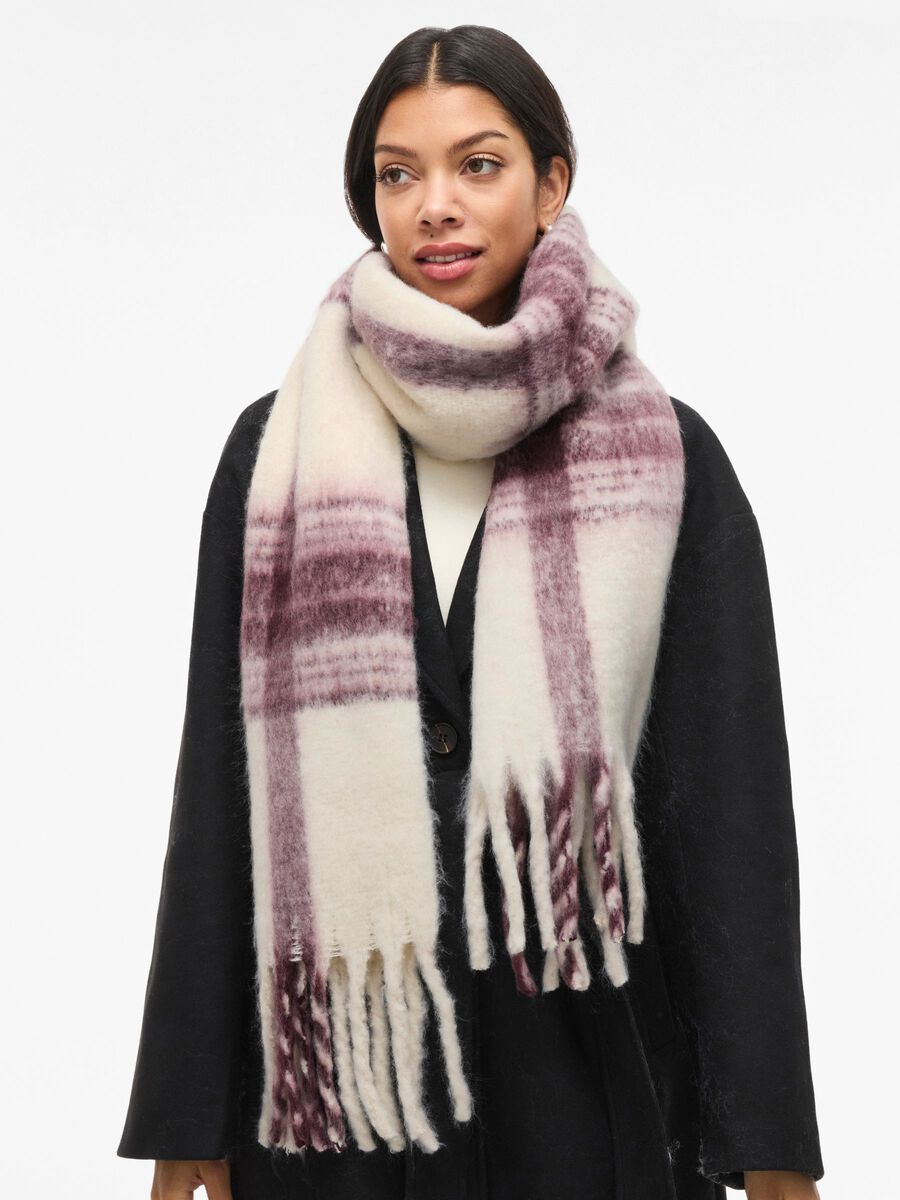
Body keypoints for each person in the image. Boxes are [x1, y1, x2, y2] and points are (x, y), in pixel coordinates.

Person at [117, 24, 825, 1200]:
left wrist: (768, 1142)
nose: (434, 204)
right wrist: (187, 1107)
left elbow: (730, 812)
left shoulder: (666, 456)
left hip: (590, 1097)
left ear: (551, 185)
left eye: (478, 164)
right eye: (398, 173)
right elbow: (219, 789)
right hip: (340, 1107)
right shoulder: (276, 451)